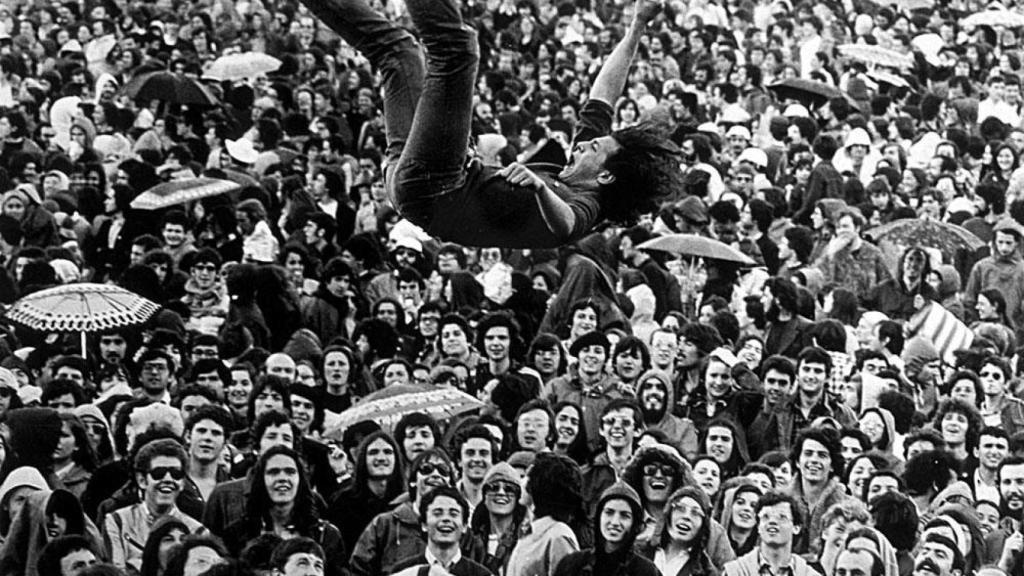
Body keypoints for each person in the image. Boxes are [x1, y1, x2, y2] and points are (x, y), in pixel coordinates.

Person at [301, 0, 681, 249]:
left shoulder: (587, 207)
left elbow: (565, 224)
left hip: (437, 184)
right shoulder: (584, 168)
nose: (582, 143)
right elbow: (604, 95)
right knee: (399, 52)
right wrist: (637, 25)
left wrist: (540, 187)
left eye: (593, 148)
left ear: (605, 177)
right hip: (412, 178)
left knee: (457, 49)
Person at [103, 438, 204, 572]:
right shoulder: (118, 522)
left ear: (182, 483)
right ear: (142, 480)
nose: (168, 479)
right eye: (159, 473)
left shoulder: (197, 531)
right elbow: (116, 572)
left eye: (176, 474)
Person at [553, 482, 658, 576]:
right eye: (609, 512)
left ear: (634, 523)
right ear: (599, 516)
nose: (615, 522)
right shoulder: (572, 565)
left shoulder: (646, 571)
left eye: (624, 515)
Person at [506, 452, 583, 576]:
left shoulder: (558, 536)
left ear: (540, 485)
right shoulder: (527, 532)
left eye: (527, 477)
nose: (521, 482)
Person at [391, 486, 492, 576]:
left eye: (453, 514)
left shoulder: (481, 574)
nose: (446, 519)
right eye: (437, 513)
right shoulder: (403, 571)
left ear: (464, 526)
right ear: (424, 524)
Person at [722, 490, 822, 576]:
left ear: (796, 528)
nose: (772, 522)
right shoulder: (736, 571)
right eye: (765, 517)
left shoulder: (809, 574)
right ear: (758, 526)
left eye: (782, 517)